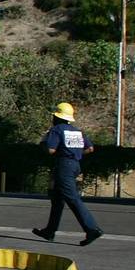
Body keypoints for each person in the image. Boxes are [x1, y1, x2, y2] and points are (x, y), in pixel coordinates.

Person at [32, 102, 105, 246]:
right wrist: (76, 154)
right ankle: (50, 231)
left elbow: (51, 150)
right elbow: (90, 148)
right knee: (57, 199)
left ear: (57, 117)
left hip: (63, 166)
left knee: (73, 199)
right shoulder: (77, 131)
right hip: (75, 165)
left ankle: (92, 229)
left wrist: (45, 145)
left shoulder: (57, 130)